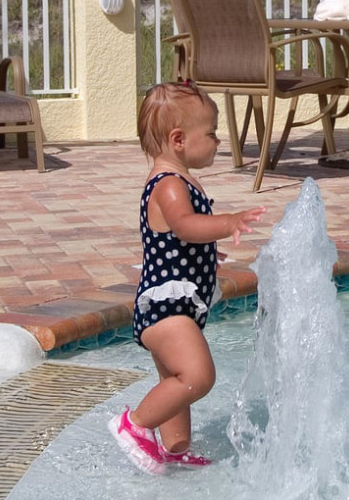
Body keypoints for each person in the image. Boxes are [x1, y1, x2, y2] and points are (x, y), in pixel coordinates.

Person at [107, 81, 267, 475]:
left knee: (176, 380)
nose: (217, 141)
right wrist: (227, 223)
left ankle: (174, 450)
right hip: (167, 311)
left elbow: (181, 239)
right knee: (197, 376)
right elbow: (184, 225)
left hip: (173, 307)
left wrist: (208, 254)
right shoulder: (169, 185)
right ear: (178, 140)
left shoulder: (177, 180)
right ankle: (134, 424)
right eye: (211, 133)